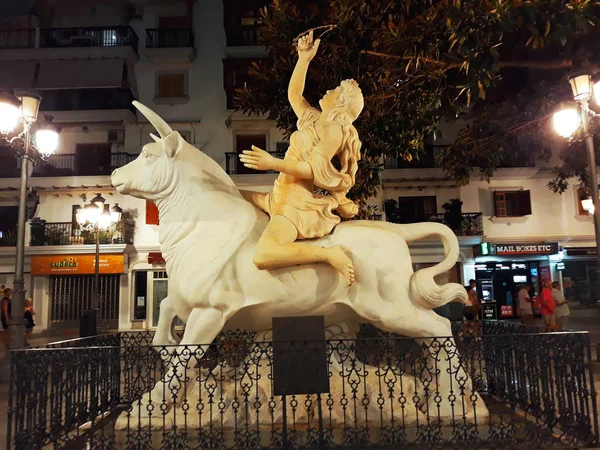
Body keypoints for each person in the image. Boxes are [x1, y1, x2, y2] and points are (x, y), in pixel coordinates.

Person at [238, 30, 364, 286]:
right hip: (278, 197)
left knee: (263, 255)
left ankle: (329, 255)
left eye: (336, 90)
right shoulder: (314, 120)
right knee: (228, 191)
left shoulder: (334, 130)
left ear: (341, 102)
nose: (329, 90)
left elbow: (313, 170)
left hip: (296, 205)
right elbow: (294, 95)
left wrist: (271, 163)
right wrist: (303, 59)